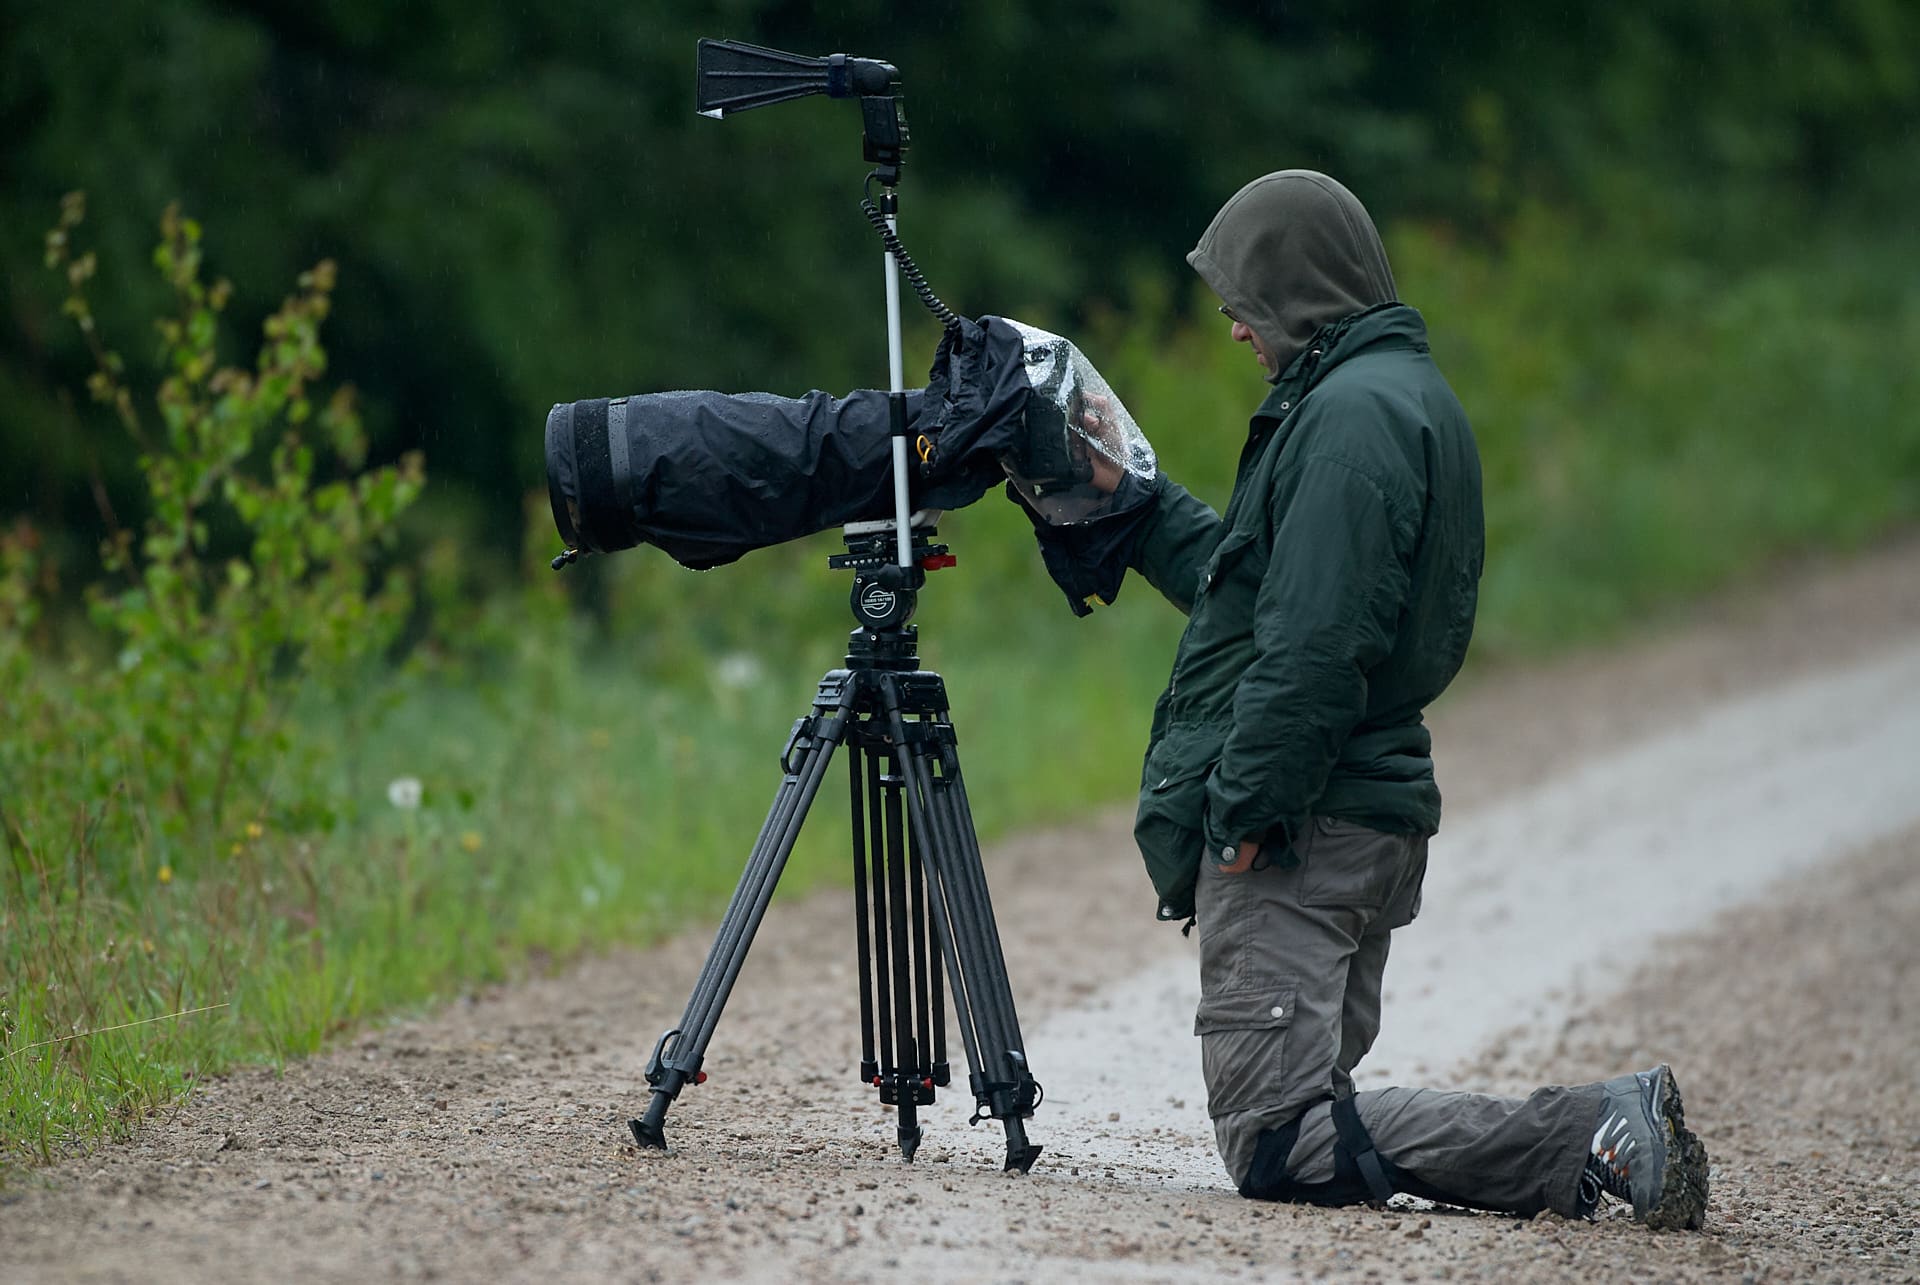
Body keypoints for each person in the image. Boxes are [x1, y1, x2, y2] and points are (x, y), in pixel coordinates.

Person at [1094, 170, 1710, 1225]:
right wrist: (1132, 506)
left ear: (1299, 285)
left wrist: (1242, 811)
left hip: (1306, 824)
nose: (1237, 329)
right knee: (1306, 1123)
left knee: (1279, 1138)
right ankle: (1596, 1135)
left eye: (1245, 298)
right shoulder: (1390, 399)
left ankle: (1595, 1129)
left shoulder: (1348, 422)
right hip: (1359, 812)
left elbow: (1316, 648)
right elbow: (1264, 591)